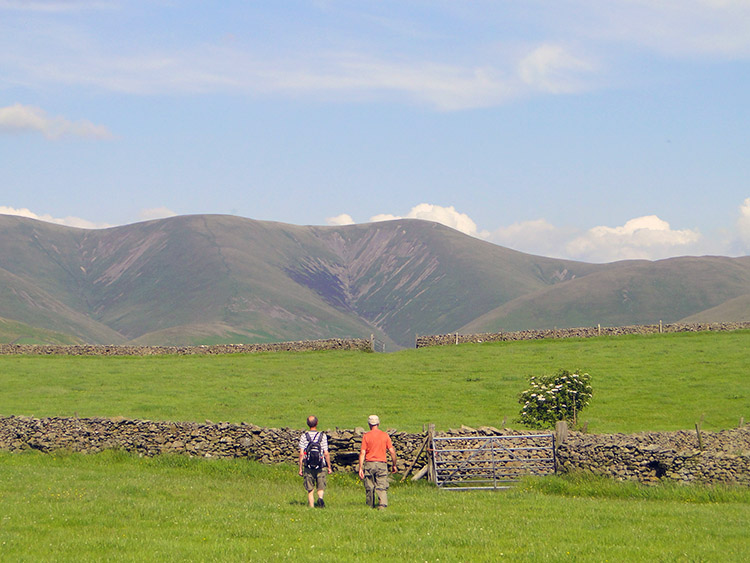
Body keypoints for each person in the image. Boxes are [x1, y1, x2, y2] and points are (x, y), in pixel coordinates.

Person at [357, 414, 398, 510]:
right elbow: (392, 451)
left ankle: (370, 505)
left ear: (369, 424)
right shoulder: (385, 435)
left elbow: (362, 453)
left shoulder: (366, 436)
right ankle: (382, 505)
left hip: (369, 463)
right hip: (381, 463)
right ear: (378, 423)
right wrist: (394, 465)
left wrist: (360, 468)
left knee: (369, 486)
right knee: (382, 485)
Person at [298, 415, 333, 508]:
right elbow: (326, 453)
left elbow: (301, 454)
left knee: (310, 488)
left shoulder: (304, 436)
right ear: (317, 423)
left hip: (308, 465)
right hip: (320, 465)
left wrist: (300, 468)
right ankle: (320, 498)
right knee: (321, 485)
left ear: (307, 424)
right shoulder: (322, 436)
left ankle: (312, 506)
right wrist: (329, 467)